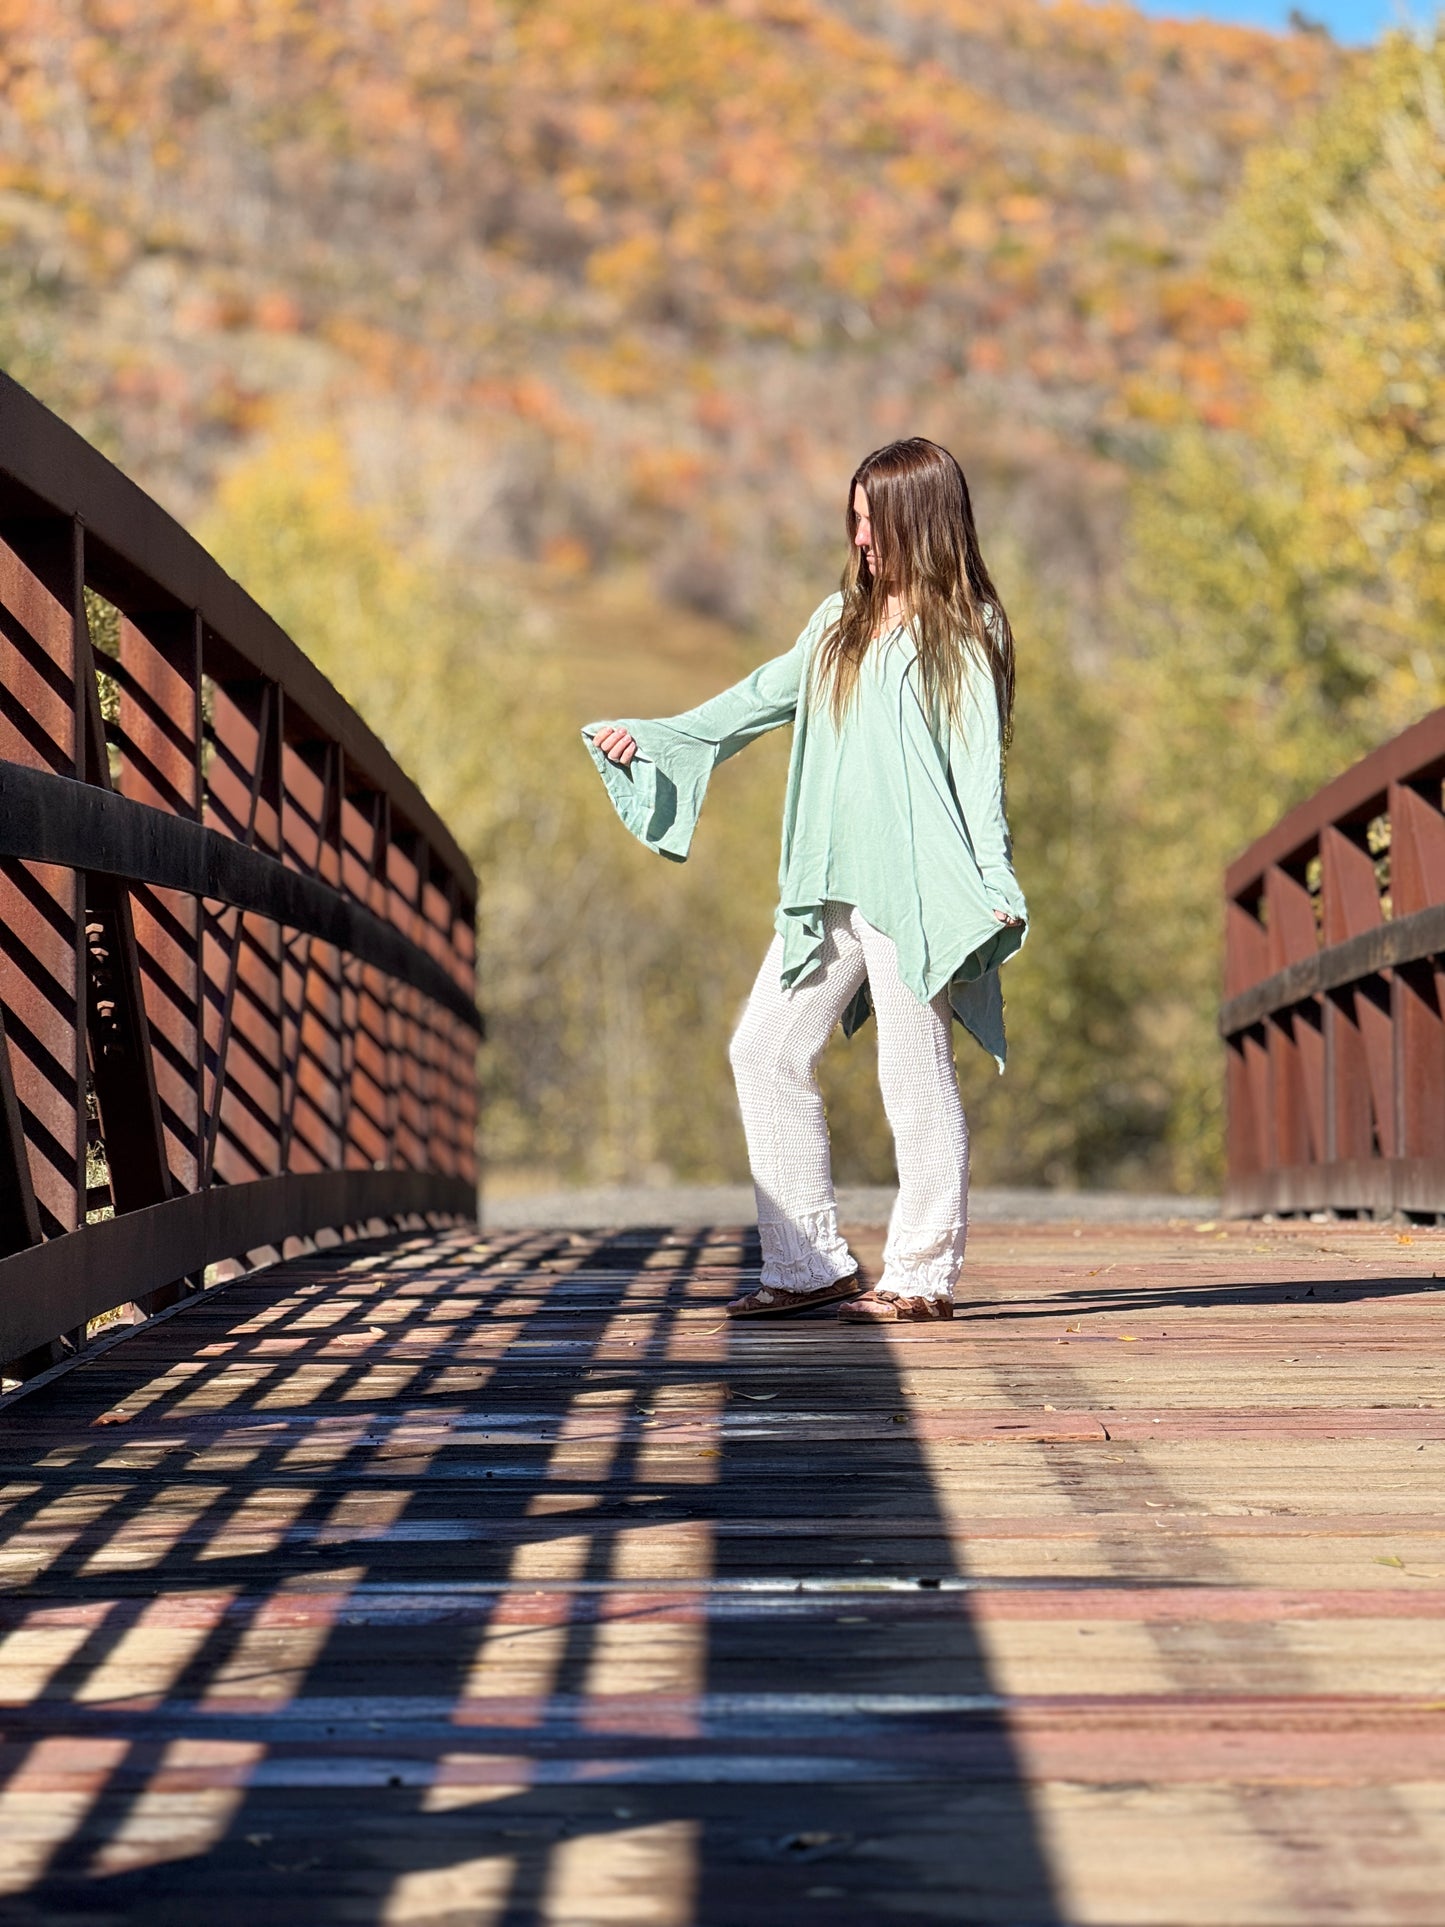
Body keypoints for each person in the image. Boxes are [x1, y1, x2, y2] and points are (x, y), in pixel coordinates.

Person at [582, 437, 1026, 1322]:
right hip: (828, 883)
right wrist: (658, 736)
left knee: (913, 1071)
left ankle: (921, 1275)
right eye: (854, 522)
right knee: (763, 1048)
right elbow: (752, 701)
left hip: (915, 888)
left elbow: (978, 765)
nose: (860, 540)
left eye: (873, 523)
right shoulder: (836, 624)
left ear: (918, 521)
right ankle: (806, 1262)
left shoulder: (963, 629)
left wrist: (993, 874)